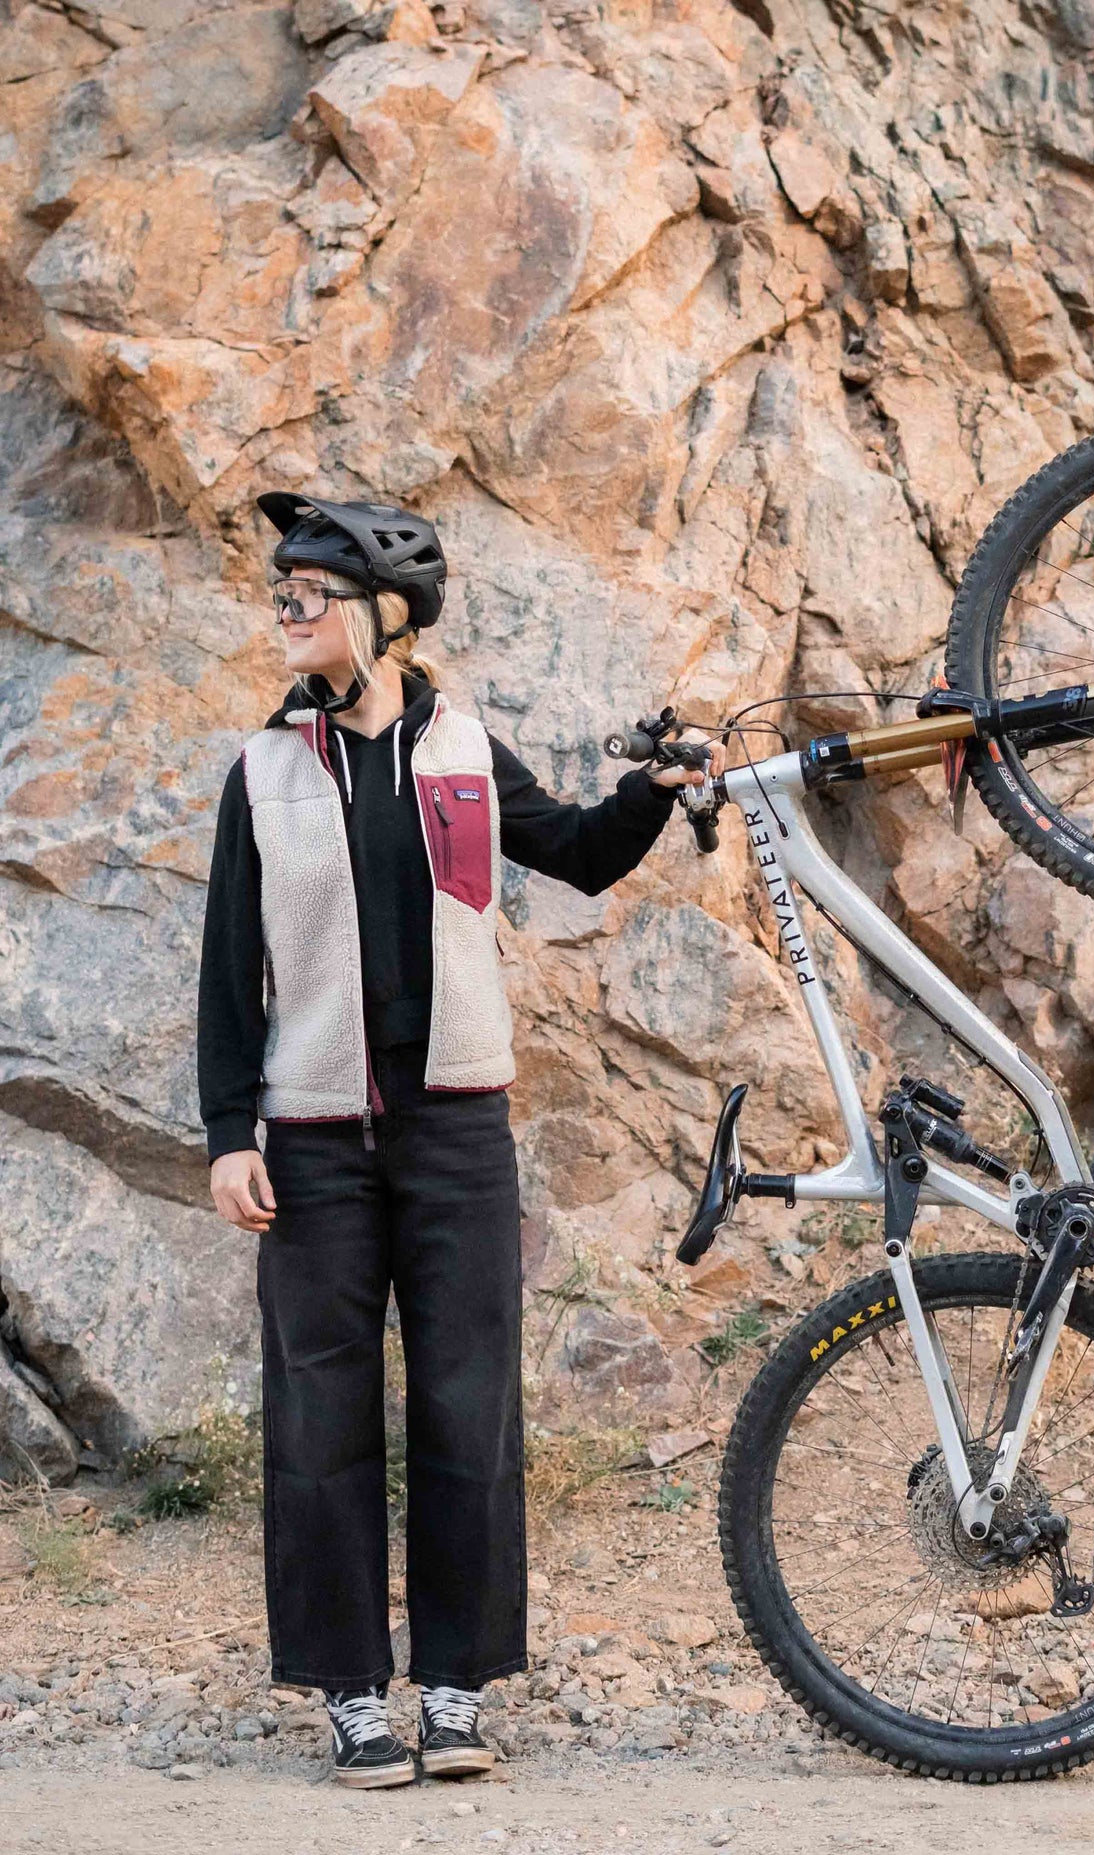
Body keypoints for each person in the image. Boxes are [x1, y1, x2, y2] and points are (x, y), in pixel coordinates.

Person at [196, 493, 724, 1788]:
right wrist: (228, 1134)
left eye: (308, 593)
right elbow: (226, 975)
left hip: (456, 1132)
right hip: (313, 1139)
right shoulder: (263, 772)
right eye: (280, 591)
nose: (286, 611)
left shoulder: (469, 751)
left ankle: (451, 1689)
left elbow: (587, 858)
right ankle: (350, 1694)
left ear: (383, 612)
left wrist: (653, 791)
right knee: (317, 1417)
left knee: (466, 1406)